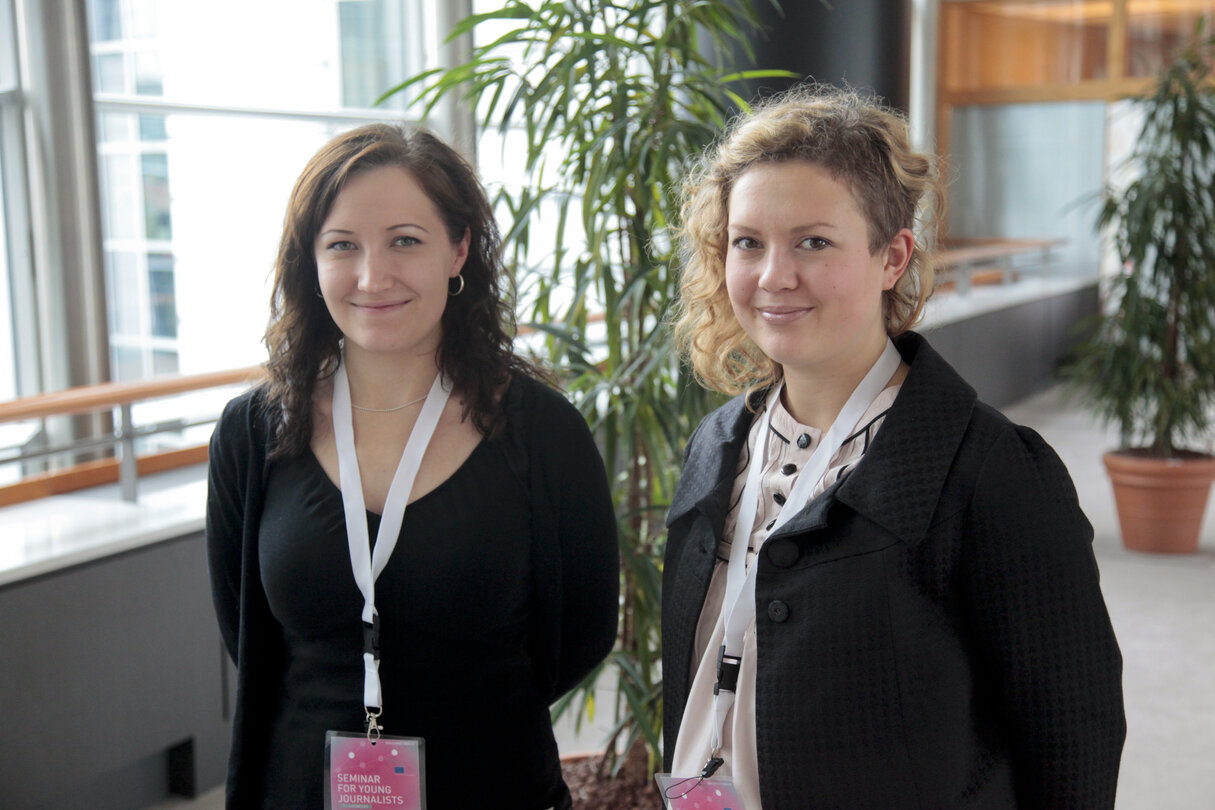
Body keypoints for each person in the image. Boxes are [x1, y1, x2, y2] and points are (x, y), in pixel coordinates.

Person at [661, 85, 1126, 809]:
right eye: (747, 242)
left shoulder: (989, 470)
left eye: (813, 242)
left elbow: (1071, 736)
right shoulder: (718, 445)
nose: (772, 276)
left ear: (891, 256)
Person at [205, 123, 619, 810]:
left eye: (406, 240)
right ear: (310, 261)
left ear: (458, 250)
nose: (373, 276)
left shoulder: (541, 431)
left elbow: (582, 631)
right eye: (342, 246)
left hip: (492, 784)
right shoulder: (253, 434)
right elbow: (243, 630)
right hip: (301, 787)